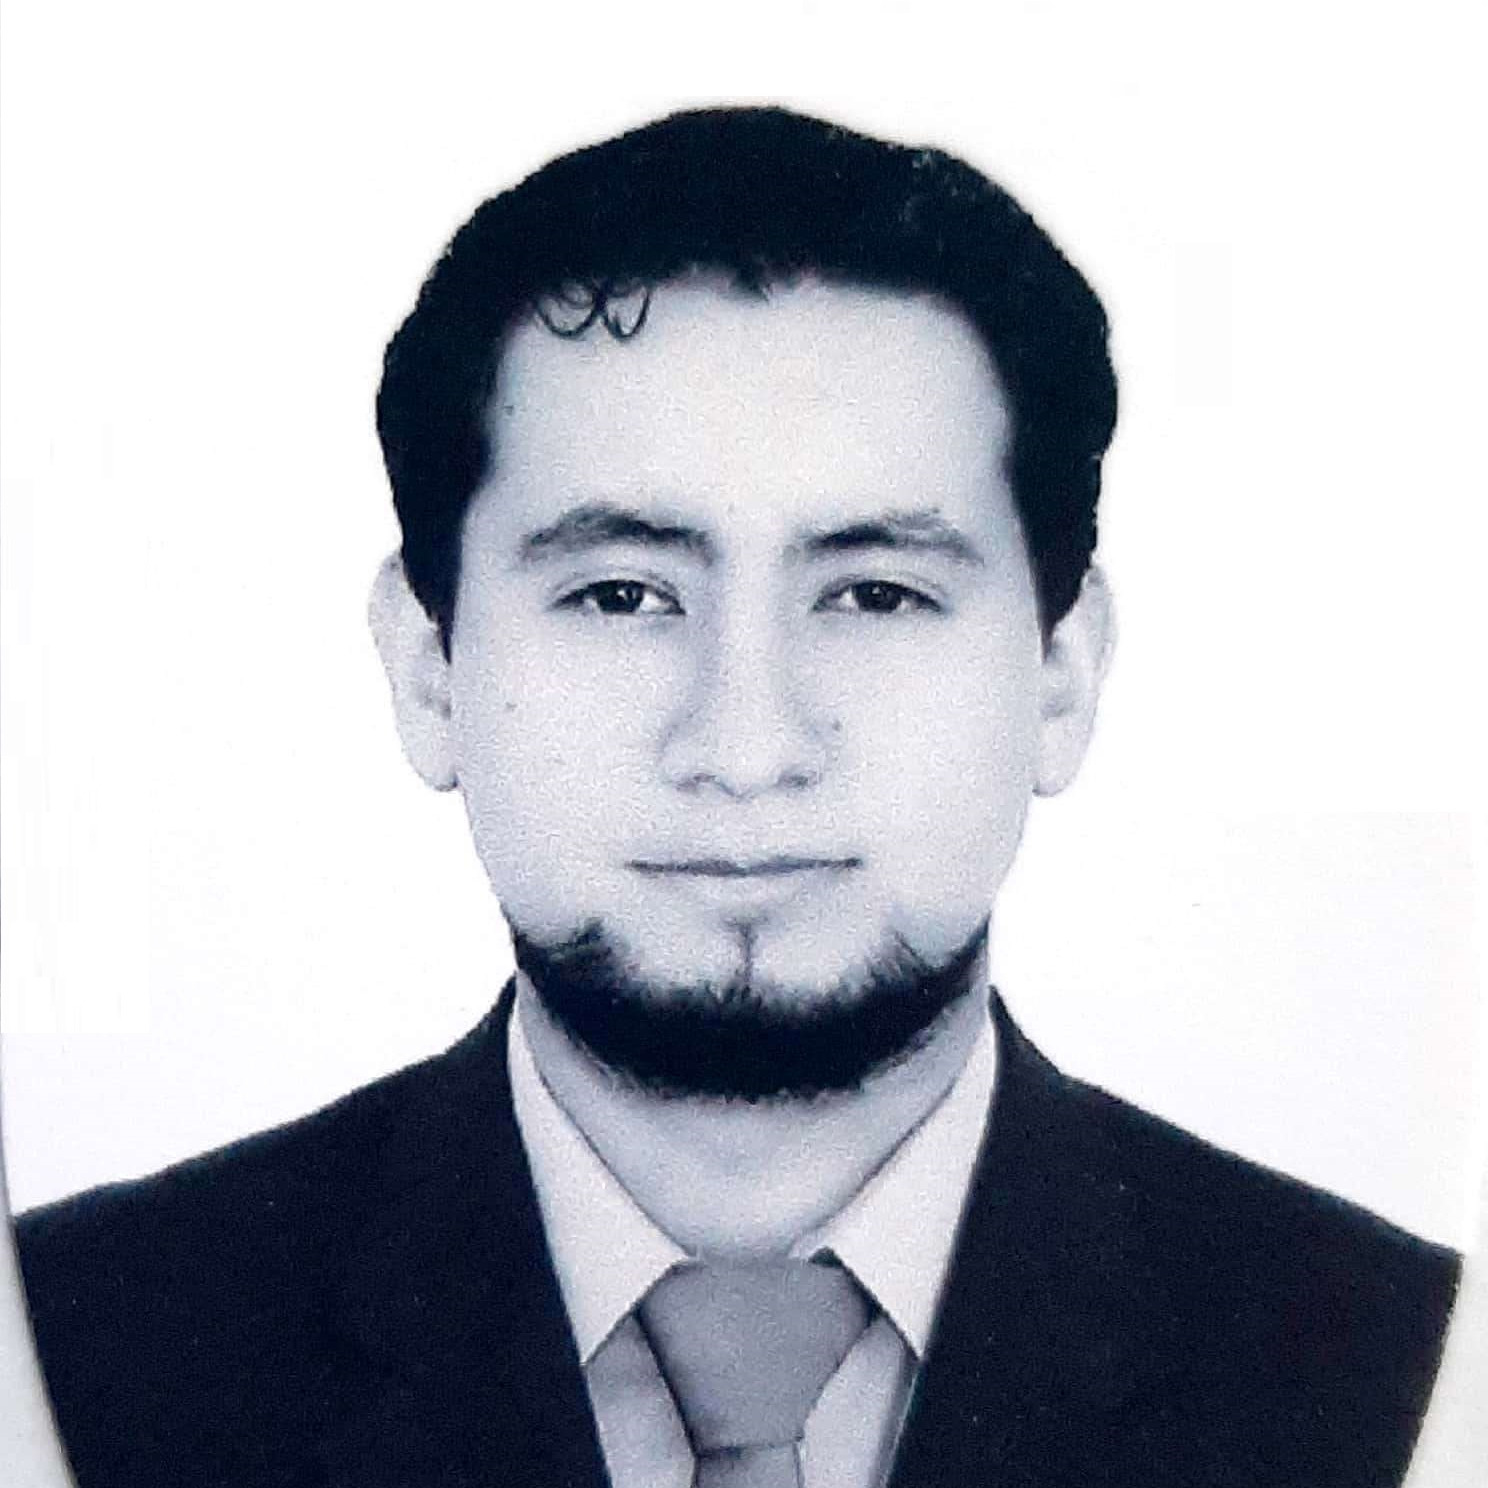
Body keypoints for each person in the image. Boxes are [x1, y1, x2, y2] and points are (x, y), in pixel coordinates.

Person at [14, 106, 1459, 1488]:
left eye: (876, 593)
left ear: (1062, 677)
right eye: (622, 593)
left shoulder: (1403, 1375)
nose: (747, 745)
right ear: (429, 669)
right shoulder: (78, 1354)